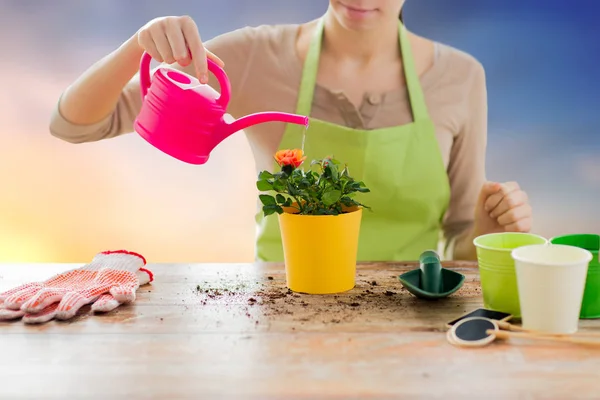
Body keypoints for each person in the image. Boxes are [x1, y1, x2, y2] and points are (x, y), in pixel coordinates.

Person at [49, 1, 533, 262]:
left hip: (413, 323)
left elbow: (461, 241)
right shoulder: (253, 56)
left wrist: (488, 234)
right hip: (281, 313)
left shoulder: (461, 76)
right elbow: (74, 125)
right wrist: (139, 45)